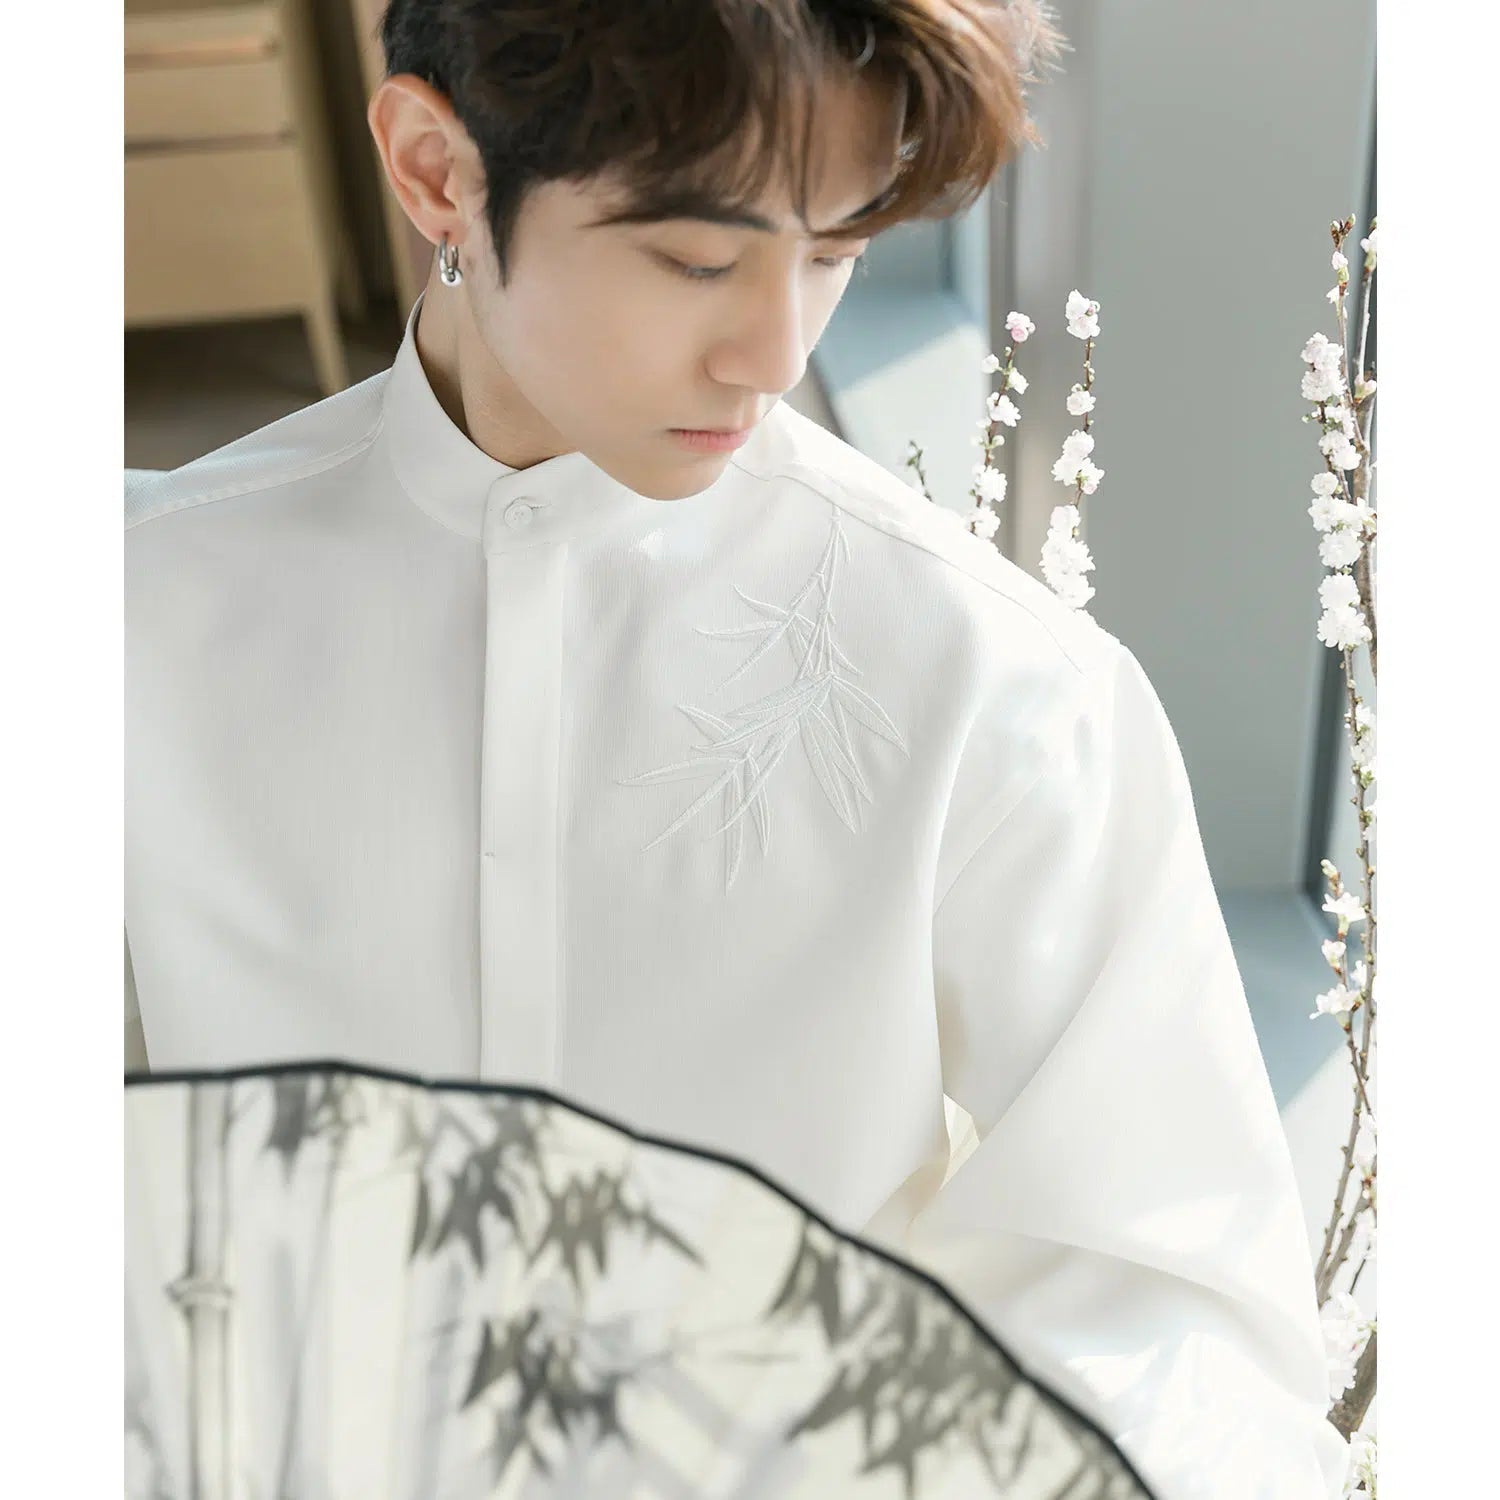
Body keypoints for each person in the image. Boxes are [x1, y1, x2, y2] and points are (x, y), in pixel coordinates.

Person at [124, 2, 1346, 1494]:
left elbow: (1170, 1311)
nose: (773, 353)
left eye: (837, 251)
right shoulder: (138, 614)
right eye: (699, 260)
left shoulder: (996, 681)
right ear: (440, 172)